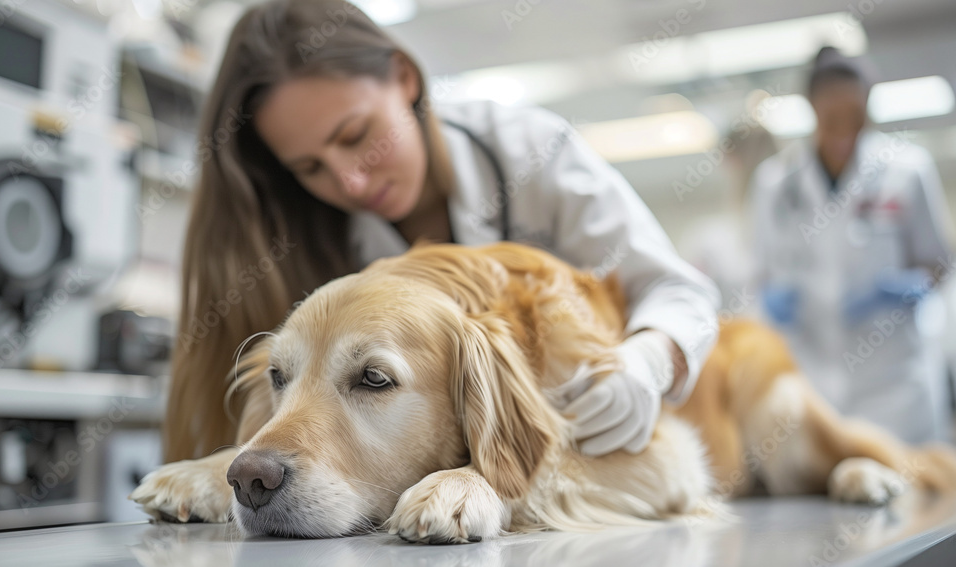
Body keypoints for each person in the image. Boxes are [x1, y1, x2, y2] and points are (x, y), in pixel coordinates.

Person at [163, 0, 720, 463]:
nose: (351, 182)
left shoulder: (531, 150)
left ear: (405, 79)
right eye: (310, 168)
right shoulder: (309, 238)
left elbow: (676, 290)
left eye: (357, 135)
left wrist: (646, 363)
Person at [750, 46, 955, 444]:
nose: (844, 131)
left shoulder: (907, 170)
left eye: (855, 119)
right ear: (811, 110)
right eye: (832, 120)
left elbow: (940, 263)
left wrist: (910, 285)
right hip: (810, 375)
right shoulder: (775, 183)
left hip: (893, 381)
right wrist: (769, 302)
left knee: (904, 487)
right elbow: (758, 274)